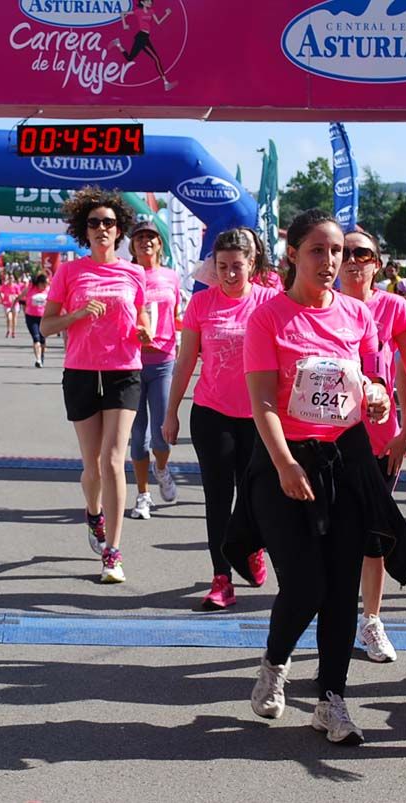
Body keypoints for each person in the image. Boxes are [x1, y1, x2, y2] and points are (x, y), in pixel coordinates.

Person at [242, 209, 406, 745]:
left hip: (346, 460)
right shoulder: (268, 318)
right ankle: (274, 663)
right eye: (318, 250)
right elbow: (264, 400)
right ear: (292, 253)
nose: (331, 261)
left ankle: (331, 699)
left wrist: (381, 397)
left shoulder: (357, 315)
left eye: (337, 251)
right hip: (285, 461)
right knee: (306, 583)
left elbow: (372, 378)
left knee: (341, 589)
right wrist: (285, 463)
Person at [163, 228, 276, 609]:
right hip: (212, 413)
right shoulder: (201, 304)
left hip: (260, 416)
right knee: (217, 496)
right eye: (223, 266)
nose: (230, 274)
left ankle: (251, 548)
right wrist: (171, 412)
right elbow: (185, 362)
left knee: (255, 496)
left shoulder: (269, 302)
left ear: (253, 265)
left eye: (238, 267)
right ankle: (221, 577)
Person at [41, 187, 149, 584]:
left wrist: (144, 331)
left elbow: (143, 319)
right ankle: (93, 514)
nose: (102, 229)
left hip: (123, 370)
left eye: (109, 223)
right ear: (83, 231)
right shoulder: (70, 272)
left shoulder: (135, 272)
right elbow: (48, 325)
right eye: (94, 223)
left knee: (113, 460)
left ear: (118, 231)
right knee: (92, 468)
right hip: (82, 371)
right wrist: (79, 313)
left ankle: (113, 552)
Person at [338, 227, 406, 663]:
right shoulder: (322, 306)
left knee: (373, 538)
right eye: (345, 252)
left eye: (363, 253)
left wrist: (404, 435)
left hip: (378, 444)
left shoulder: (393, 308)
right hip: (327, 443)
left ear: (377, 262)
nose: (354, 260)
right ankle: (329, 620)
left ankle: (370, 620)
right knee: (332, 539)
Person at [127, 220, 182, 521]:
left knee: (162, 434)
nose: (145, 241)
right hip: (132, 360)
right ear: (132, 246)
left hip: (162, 361)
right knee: (138, 435)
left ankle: (162, 469)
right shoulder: (128, 274)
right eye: (139, 237)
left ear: (160, 244)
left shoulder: (171, 277)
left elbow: (176, 316)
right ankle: (143, 495)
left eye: (151, 237)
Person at [111, 0, 176, 91]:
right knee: (156, 59)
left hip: (145, 38)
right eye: (148, 1)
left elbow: (158, 22)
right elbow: (122, 13)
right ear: (142, 2)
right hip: (141, 37)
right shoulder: (138, 11)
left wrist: (167, 14)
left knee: (130, 58)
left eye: (150, 1)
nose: (150, 3)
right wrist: (124, 25)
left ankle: (117, 44)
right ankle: (166, 83)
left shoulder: (151, 11)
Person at [24, 273, 50, 367]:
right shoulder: (31, 289)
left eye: (46, 284)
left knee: (42, 340)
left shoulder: (49, 291)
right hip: (31, 317)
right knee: (36, 338)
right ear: (39, 283)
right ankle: (38, 359)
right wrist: (13, 305)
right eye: (44, 284)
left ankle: (42, 355)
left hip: (44, 318)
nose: (45, 286)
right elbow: (20, 297)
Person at [0, 272, 22, 339]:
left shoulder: (16, 286)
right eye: (9, 278)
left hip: (15, 304)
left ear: (13, 279)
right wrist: (2, 299)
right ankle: (8, 330)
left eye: (12, 278)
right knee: (9, 318)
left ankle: (13, 331)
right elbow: (0, 292)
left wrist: (15, 296)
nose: (10, 279)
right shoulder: (5, 286)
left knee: (14, 318)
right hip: (7, 304)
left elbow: (19, 295)